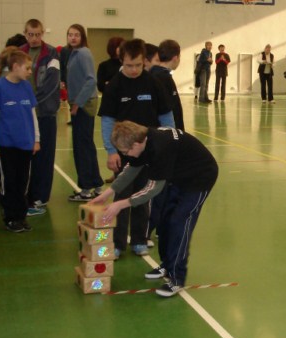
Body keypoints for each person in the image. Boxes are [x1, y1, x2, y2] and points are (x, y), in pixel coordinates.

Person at [90, 121, 218, 298]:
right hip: (177, 176)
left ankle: (176, 278)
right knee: (164, 219)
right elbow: (132, 168)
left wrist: (120, 204)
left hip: (199, 179)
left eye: (126, 152)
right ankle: (167, 264)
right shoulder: (142, 142)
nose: (125, 155)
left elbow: (152, 189)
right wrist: (108, 193)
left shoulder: (160, 148)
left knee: (179, 223)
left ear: (136, 144)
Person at [98, 38, 174, 258]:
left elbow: (166, 116)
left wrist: (168, 144)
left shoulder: (153, 83)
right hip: (124, 153)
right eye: (129, 65)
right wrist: (111, 151)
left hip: (149, 152)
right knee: (121, 195)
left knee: (143, 196)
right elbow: (107, 120)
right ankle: (118, 243)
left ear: (145, 61)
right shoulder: (114, 86)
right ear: (121, 60)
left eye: (138, 65)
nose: (133, 70)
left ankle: (139, 239)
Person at [0, 47, 40, 232]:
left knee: (22, 181)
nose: (29, 72)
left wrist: (36, 139)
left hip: (25, 143)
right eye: (27, 68)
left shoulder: (26, 87)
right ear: (15, 67)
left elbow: (32, 115)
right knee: (9, 181)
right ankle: (10, 217)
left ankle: (21, 216)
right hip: (6, 145)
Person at [21, 18, 60, 213]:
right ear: (25, 34)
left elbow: (52, 84)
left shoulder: (51, 54)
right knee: (24, 157)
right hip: (23, 116)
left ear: (42, 33)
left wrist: (32, 103)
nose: (34, 38)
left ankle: (40, 198)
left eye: (37, 34)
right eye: (30, 34)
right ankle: (24, 195)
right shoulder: (19, 53)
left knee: (44, 157)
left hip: (45, 114)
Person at [65, 24, 103, 201]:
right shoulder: (74, 53)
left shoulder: (83, 53)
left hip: (84, 105)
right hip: (80, 103)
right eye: (70, 34)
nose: (73, 38)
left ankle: (86, 189)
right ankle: (96, 185)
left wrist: (77, 104)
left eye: (76, 35)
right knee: (86, 145)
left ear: (82, 37)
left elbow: (91, 80)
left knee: (81, 147)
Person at [151, 39, 184, 130]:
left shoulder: (156, 74)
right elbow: (170, 108)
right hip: (166, 131)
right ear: (175, 58)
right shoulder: (163, 78)